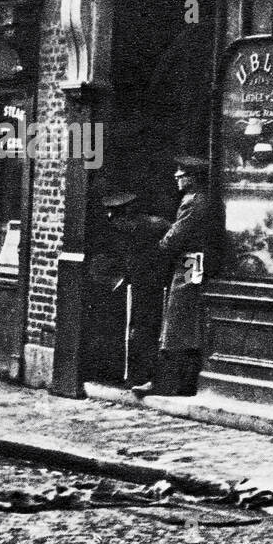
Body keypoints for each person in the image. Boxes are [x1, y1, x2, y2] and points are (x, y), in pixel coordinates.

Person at [133, 157, 212, 397]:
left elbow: (177, 235)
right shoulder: (195, 199)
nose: (177, 177)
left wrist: (158, 247)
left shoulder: (193, 202)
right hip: (191, 260)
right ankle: (180, 381)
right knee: (182, 322)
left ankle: (166, 382)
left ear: (193, 178)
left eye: (182, 174)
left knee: (178, 320)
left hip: (190, 261)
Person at [89, 191, 169, 387]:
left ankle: (140, 376)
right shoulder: (131, 228)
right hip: (133, 284)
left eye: (115, 215)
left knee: (141, 330)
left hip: (146, 285)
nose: (113, 220)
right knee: (136, 329)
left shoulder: (148, 226)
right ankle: (133, 375)